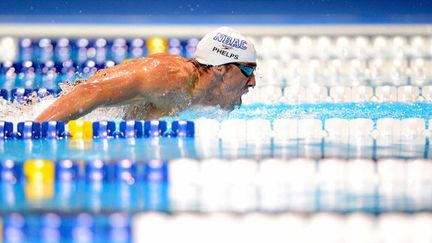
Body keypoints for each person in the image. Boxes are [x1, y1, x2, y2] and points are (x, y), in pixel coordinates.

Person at [35, 26, 257, 122]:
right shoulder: (171, 77)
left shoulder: (202, 97)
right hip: (47, 116)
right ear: (220, 68)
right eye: (247, 70)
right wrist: (35, 130)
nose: (253, 81)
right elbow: (89, 90)